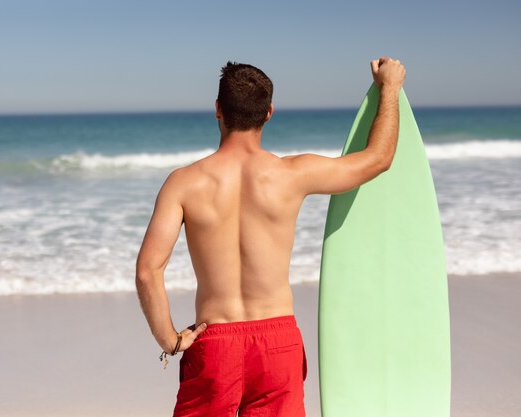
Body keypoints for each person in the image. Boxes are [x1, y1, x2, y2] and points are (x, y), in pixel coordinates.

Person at [135, 57, 406, 416]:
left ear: (218, 109)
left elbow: (147, 271)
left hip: (215, 344)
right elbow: (378, 159)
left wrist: (169, 340)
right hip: (277, 345)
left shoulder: (184, 183)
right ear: (269, 113)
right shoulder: (291, 174)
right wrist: (390, 88)